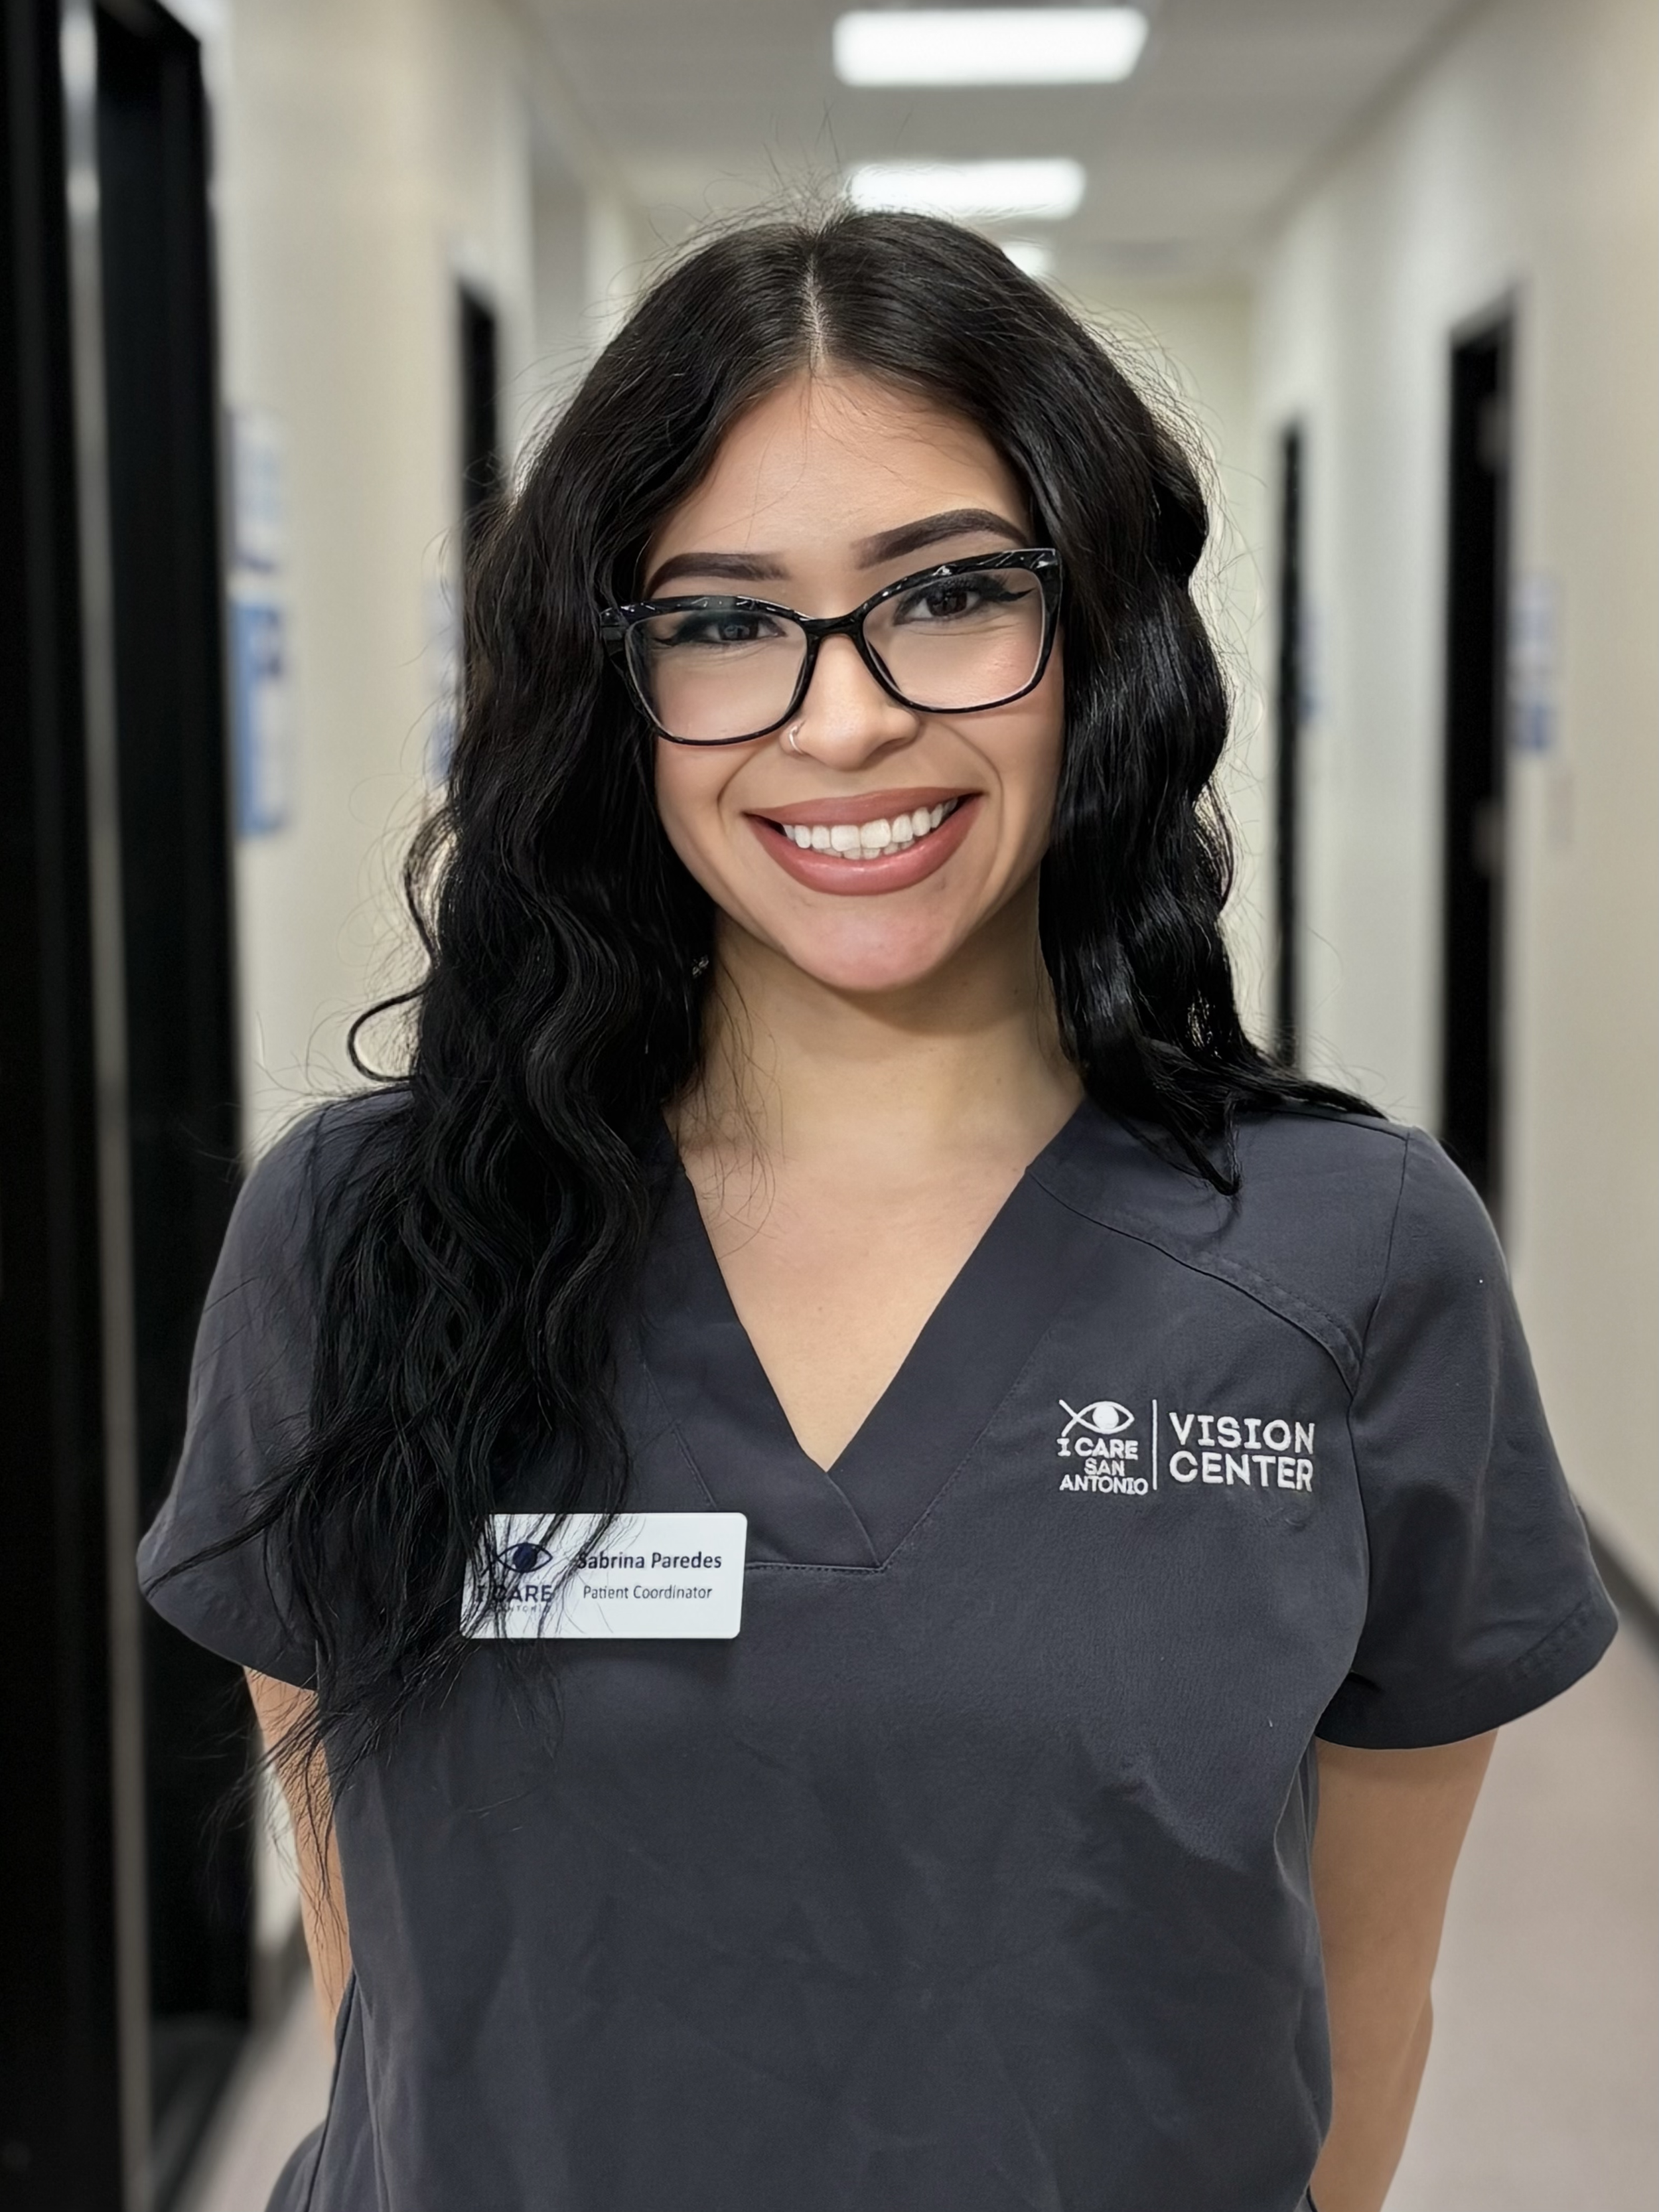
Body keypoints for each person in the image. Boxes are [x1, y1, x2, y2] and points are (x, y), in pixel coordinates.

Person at [139, 210, 1615, 2212]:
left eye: (944, 595)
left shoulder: (1345, 1259)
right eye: (725, 621)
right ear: (615, 683)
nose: (841, 721)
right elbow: (384, 1972)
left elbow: (1359, 2010)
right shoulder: (369, 1235)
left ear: (1091, 627)